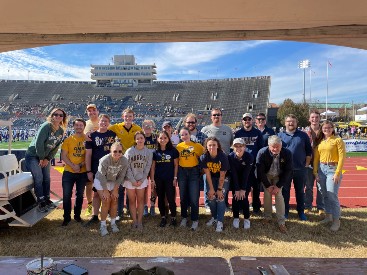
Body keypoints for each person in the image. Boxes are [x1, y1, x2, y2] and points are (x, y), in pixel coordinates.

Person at [25, 108, 67, 212]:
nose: (58, 117)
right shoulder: (46, 126)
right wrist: (41, 158)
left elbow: (56, 146)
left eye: (60, 115)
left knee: (47, 178)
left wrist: (48, 158)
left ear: (63, 118)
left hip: (45, 157)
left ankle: (47, 199)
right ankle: (40, 201)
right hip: (33, 156)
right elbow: (38, 143)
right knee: (39, 178)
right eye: (55, 114)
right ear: (52, 115)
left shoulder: (61, 131)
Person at [313, 120, 346, 231]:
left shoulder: (338, 140)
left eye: (329, 127)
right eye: (324, 128)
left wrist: (337, 173)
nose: (326, 129)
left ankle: (337, 221)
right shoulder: (320, 142)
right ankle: (328, 216)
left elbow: (342, 157)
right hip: (321, 170)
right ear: (322, 129)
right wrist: (315, 172)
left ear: (332, 128)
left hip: (333, 169)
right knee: (324, 194)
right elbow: (316, 158)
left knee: (332, 195)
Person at [278, 114, 312, 220]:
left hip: (300, 169)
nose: (291, 123)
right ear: (285, 123)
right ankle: (285, 211)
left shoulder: (303, 135)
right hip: (284, 170)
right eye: (288, 121)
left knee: (300, 191)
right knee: (285, 192)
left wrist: (306, 165)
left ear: (296, 123)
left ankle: (301, 212)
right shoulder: (279, 135)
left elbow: (308, 152)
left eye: (293, 121)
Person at [109, 108, 142, 219]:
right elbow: (103, 129)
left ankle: (129, 208)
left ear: (133, 117)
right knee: (120, 187)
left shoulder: (137, 128)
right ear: (123, 117)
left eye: (130, 116)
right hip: (119, 161)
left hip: (132, 162)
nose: (128, 118)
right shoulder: (116, 127)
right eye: (126, 116)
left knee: (130, 187)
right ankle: (119, 211)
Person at [256, 135, 293, 233]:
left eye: (278, 146)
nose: (275, 149)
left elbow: (288, 171)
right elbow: (260, 171)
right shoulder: (262, 152)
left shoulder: (287, 153)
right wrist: (268, 186)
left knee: (278, 194)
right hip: (266, 175)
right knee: (267, 194)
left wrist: (278, 186)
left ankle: (281, 221)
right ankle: (267, 217)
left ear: (281, 146)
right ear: (269, 146)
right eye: (273, 146)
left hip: (278, 176)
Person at [84, 114, 116, 226]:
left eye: (106, 121)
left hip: (111, 168)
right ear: (98, 122)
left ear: (109, 123)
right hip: (96, 168)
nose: (104, 123)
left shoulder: (113, 135)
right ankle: (94, 216)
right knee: (97, 193)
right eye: (102, 121)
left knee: (110, 192)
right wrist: (89, 171)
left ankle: (109, 214)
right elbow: (88, 155)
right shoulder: (91, 136)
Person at [201, 108, 233, 212]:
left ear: (221, 116)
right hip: (210, 162)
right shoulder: (205, 130)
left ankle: (224, 203)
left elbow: (231, 144)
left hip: (224, 162)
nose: (216, 117)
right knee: (208, 181)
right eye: (214, 115)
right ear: (211, 117)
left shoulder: (228, 129)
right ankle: (207, 204)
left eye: (218, 115)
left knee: (224, 183)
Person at [94, 139, 128, 236]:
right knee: (106, 200)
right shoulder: (105, 159)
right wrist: (105, 190)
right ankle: (103, 225)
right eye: (115, 151)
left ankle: (113, 223)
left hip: (113, 181)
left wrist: (115, 189)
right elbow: (101, 175)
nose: (117, 153)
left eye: (120, 151)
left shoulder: (124, 160)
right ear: (110, 151)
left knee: (114, 200)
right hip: (101, 180)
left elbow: (121, 176)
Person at [234, 113, 264, 214]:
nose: (247, 121)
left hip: (255, 164)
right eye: (245, 119)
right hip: (242, 164)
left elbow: (261, 149)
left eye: (249, 119)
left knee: (255, 187)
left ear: (252, 120)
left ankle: (256, 207)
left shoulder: (257, 133)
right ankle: (242, 206)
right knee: (244, 185)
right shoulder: (238, 133)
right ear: (242, 121)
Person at [60, 119, 88, 226]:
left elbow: (89, 156)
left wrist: (80, 165)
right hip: (68, 172)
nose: (79, 127)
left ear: (84, 126)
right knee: (66, 195)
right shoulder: (68, 140)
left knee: (80, 195)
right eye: (76, 125)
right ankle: (66, 217)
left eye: (81, 125)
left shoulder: (88, 139)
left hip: (82, 172)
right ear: (73, 127)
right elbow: (64, 156)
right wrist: (73, 166)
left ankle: (77, 216)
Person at [176, 127, 204, 231]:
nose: (184, 136)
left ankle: (195, 219)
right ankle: (184, 217)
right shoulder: (179, 147)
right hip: (182, 172)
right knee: (183, 197)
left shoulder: (197, 146)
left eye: (186, 134)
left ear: (189, 134)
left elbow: (204, 155)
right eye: (182, 135)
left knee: (194, 197)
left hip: (193, 172)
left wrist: (202, 170)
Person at [124, 131, 153, 230]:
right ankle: (134, 221)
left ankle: (139, 221)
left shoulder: (148, 152)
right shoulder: (129, 151)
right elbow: (127, 167)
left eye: (141, 138)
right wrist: (132, 180)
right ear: (135, 140)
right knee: (132, 201)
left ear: (144, 139)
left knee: (140, 200)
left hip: (142, 179)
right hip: (130, 180)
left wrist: (141, 180)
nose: (139, 140)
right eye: (137, 138)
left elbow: (148, 167)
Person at [150, 131, 179, 227]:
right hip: (159, 179)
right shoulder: (155, 152)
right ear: (157, 139)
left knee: (171, 199)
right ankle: (163, 217)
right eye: (161, 138)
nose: (163, 140)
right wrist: (152, 180)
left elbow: (175, 165)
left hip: (170, 179)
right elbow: (153, 167)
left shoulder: (173, 151)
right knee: (161, 199)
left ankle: (173, 217)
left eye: (165, 138)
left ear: (168, 139)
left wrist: (175, 177)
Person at [201, 137, 230, 232]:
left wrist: (219, 189)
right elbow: (207, 174)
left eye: (214, 145)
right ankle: (214, 217)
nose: (212, 147)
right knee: (211, 197)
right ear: (206, 146)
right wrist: (211, 189)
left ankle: (220, 222)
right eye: (210, 145)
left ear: (218, 146)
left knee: (220, 198)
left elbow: (222, 175)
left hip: (223, 177)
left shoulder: (223, 156)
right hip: (211, 177)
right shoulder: (204, 157)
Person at [228, 138, 253, 230]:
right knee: (235, 197)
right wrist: (237, 189)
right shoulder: (230, 157)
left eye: (240, 146)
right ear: (233, 148)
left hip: (246, 179)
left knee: (244, 198)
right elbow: (233, 173)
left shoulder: (249, 157)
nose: (238, 148)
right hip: (235, 180)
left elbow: (246, 174)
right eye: (236, 146)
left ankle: (247, 218)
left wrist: (243, 189)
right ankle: (236, 217)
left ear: (244, 147)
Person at [304, 110, 325, 215]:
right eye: (312, 117)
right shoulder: (304, 131)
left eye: (317, 117)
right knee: (308, 186)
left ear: (319, 119)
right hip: (308, 162)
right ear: (309, 119)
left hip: (322, 162)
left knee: (321, 186)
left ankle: (320, 207)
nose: (314, 119)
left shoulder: (325, 130)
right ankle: (308, 206)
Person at [83, 104, 100, 217]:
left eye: (94, 110)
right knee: (88, 184)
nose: (92, 112)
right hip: (89, 156)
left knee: (103, 184)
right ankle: (90, 205)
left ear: (97, 111)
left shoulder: (102, 121)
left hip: (100, 157)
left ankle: (103, 206)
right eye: (89, 111)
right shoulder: (85, 124)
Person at [142, 119, 158, 217]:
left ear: (153, 127)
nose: (148, 127)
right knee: (144, 187)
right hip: (142, 166)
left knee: (153, 187)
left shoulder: (156, 137)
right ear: (142, 127)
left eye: (150, 125)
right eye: (146, 125)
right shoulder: (140, 137)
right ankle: (144, 206)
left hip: (154, 165)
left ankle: (152, 206)